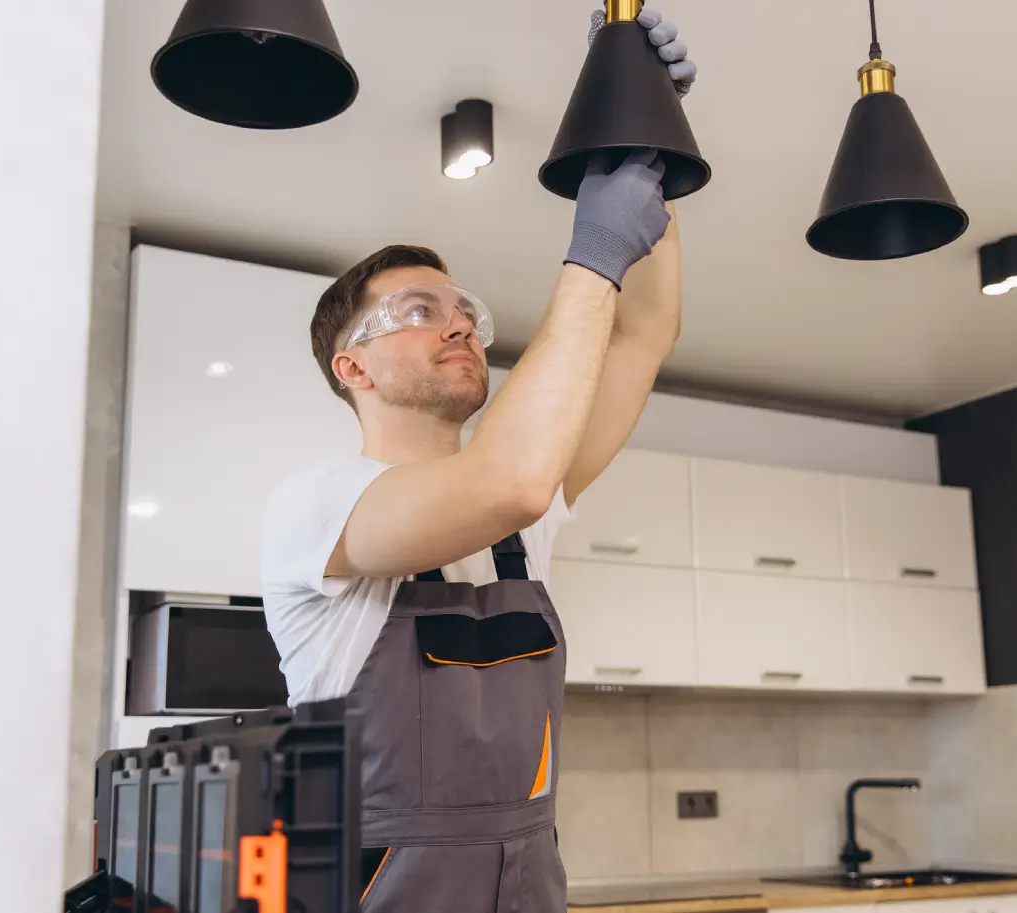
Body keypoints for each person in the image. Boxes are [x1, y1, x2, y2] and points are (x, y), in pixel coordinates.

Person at [259, 8, 696, 910]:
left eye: (462, 310)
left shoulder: (522, 523)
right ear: (352, 367)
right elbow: (505, 483)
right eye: (419, 311)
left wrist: (639, 123)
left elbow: (641, 332)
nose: (458, 323)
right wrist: (594, 249)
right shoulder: (320, 505)